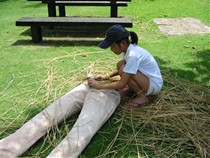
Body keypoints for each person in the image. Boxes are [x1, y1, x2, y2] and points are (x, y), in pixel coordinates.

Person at [0, 83, 120, 158]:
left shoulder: (134, 58)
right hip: (91, 85)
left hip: (109, 92)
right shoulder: (130, 57)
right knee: (45, 118)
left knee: (81, 130)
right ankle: (3, 150)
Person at [88, 24, 163, 107]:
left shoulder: (132, 55)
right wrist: (107, 76)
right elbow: (128, 69)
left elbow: (122, 84)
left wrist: (99, 86)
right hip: (147, 81)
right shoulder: (128, 50)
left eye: (113, 46)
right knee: (121, 65)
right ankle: (133, 88)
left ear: (123, 43)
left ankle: (142, 97)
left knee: (123, 68)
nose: (111, 49)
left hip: (153, 85)